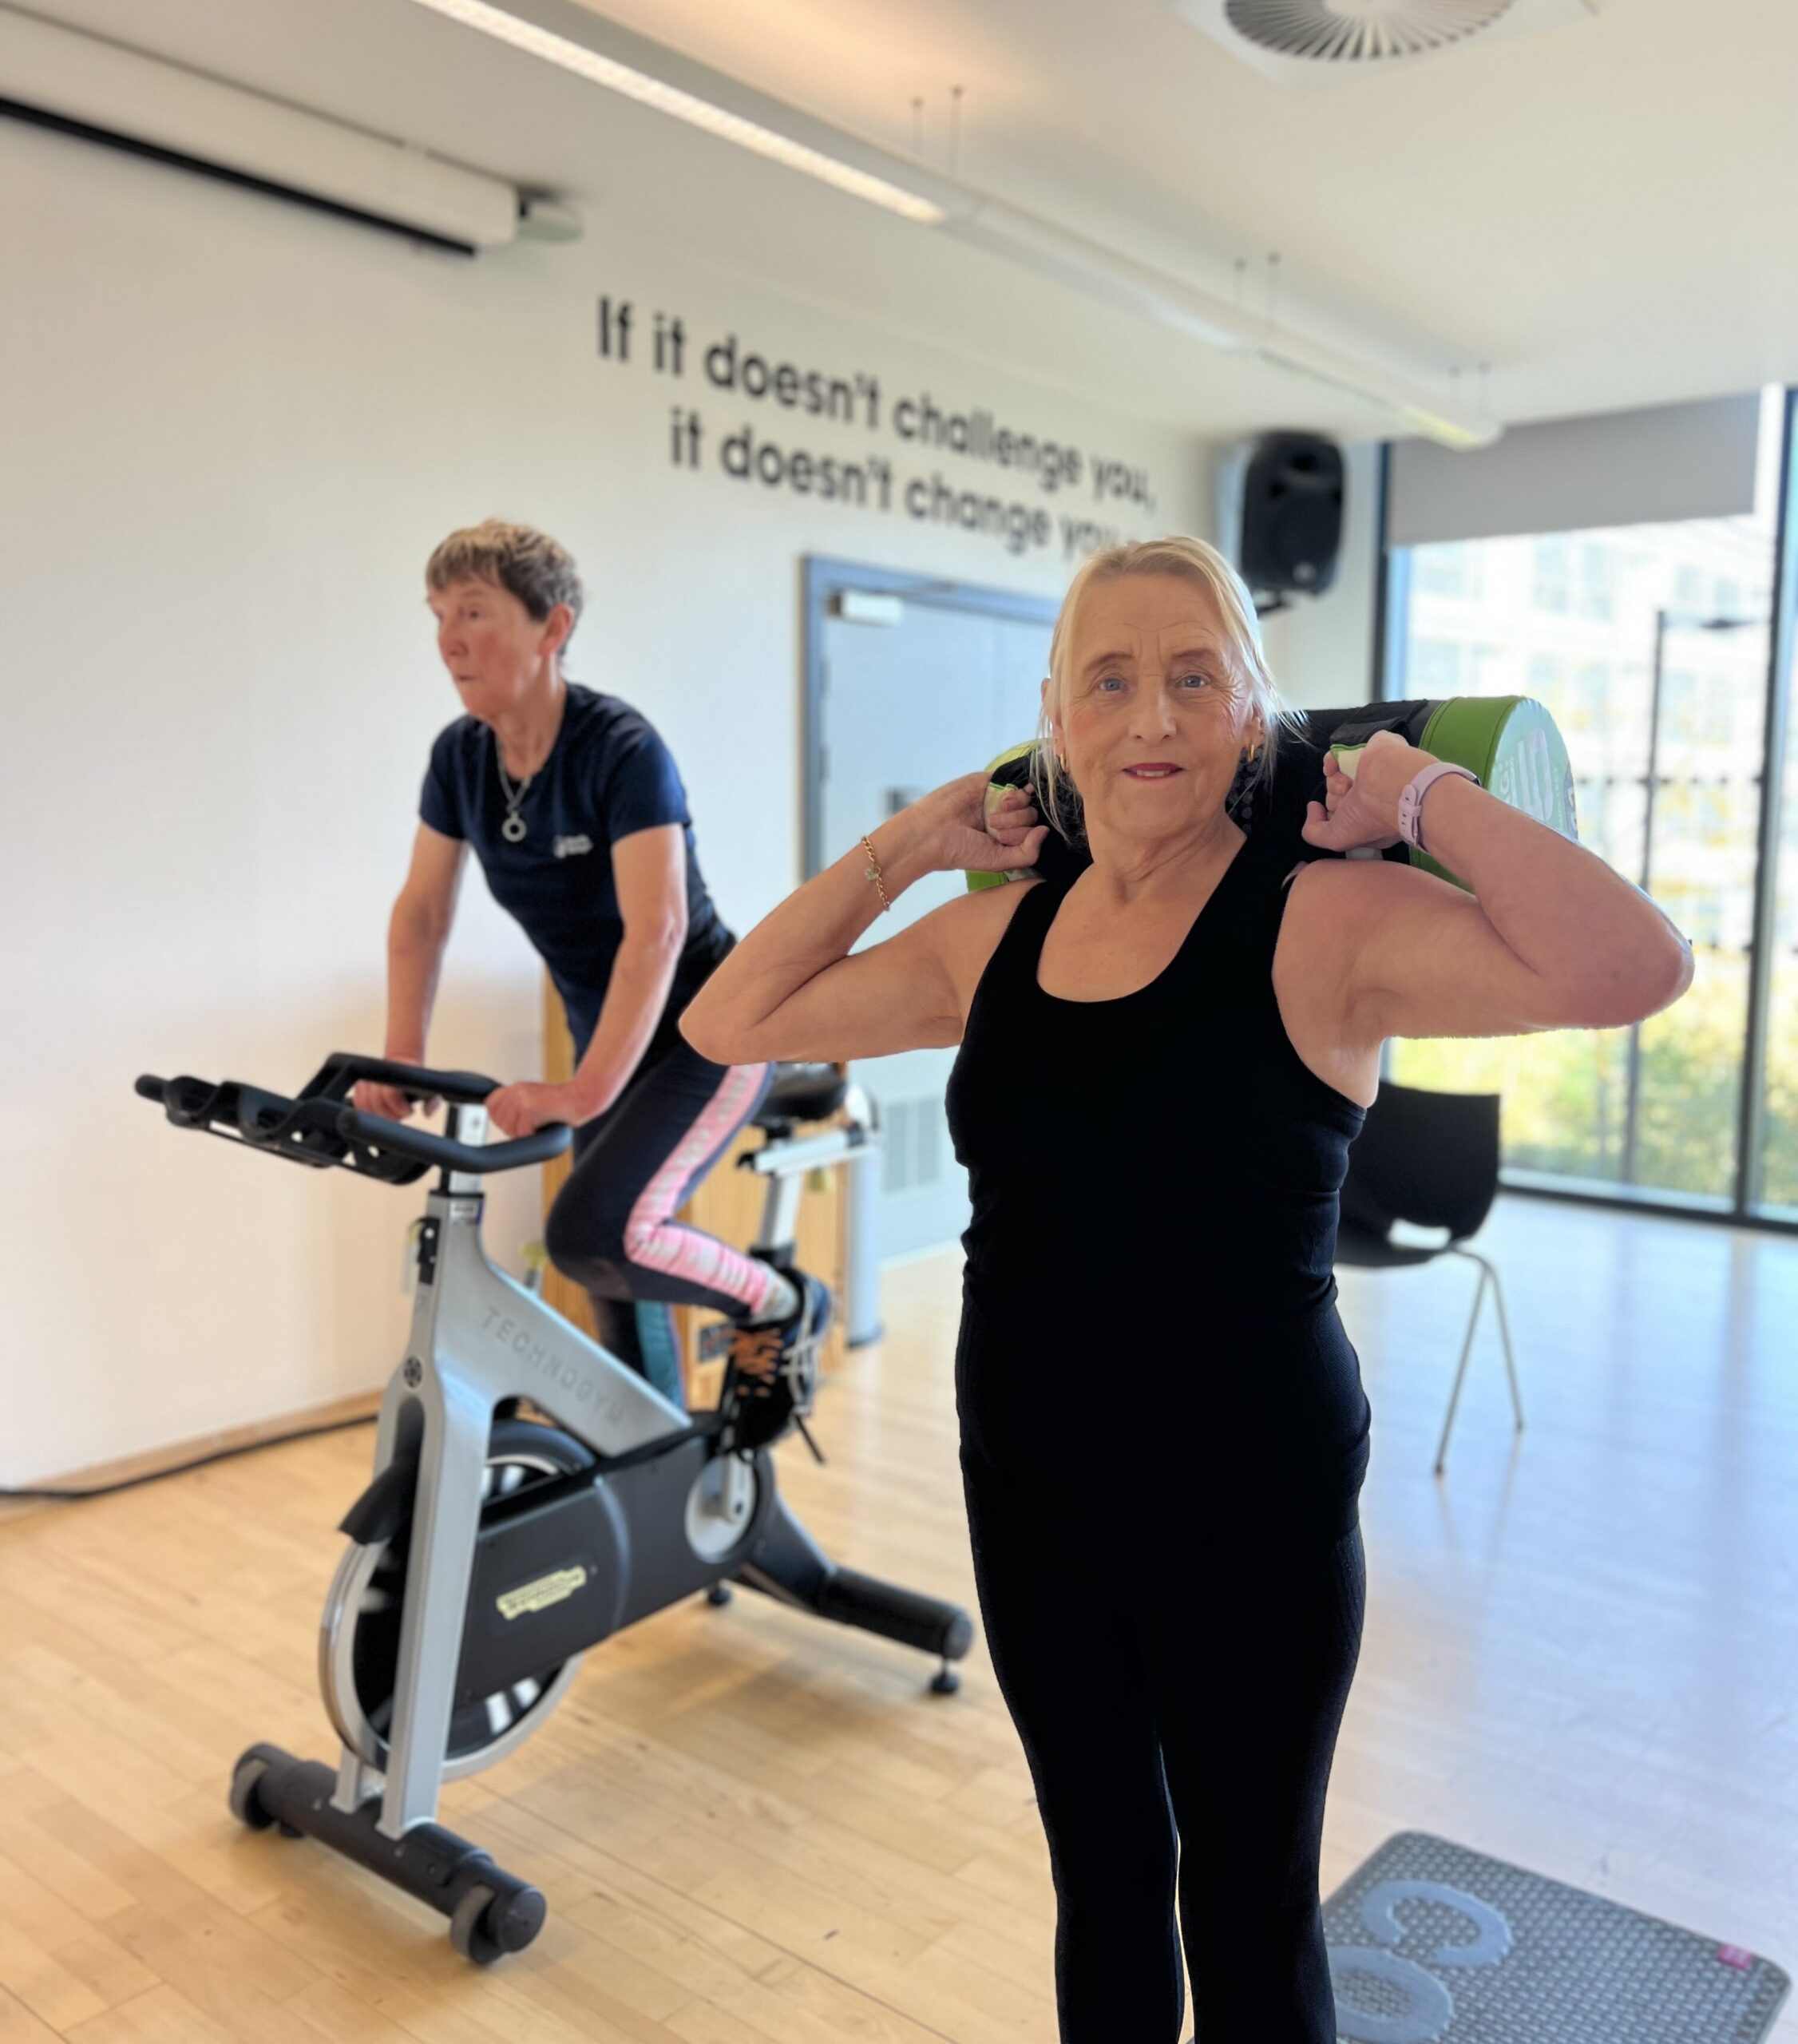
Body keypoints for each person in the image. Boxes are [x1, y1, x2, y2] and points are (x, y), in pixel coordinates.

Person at [679, 536, 1693, 2042]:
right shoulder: (994, 936)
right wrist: (913, 841)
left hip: (1249, 1495)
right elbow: (729, 1015)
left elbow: (1632, 966)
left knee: (1245, 1893)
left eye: (1190, 677)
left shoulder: (1322, 922)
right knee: (1101, 1875)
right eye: (1109, 681)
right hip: (1030, 1482)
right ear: (1055, 720)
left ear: (1250, 717)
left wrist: (1417, 794)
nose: (1148, 717)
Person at [354, 518, 825, 1408]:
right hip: (612, 1036)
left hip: (711, 1032)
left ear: (552, 627)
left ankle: (786, 1301)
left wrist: (583, 1092)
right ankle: (660, 1463)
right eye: (437, 615)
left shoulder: (620, 748)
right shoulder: (461, 759)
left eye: (474, 611)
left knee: (594, 1231)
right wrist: (401, 1053)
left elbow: (657, 929)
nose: (449, 640)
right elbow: (421, 913)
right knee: (613, 1274)